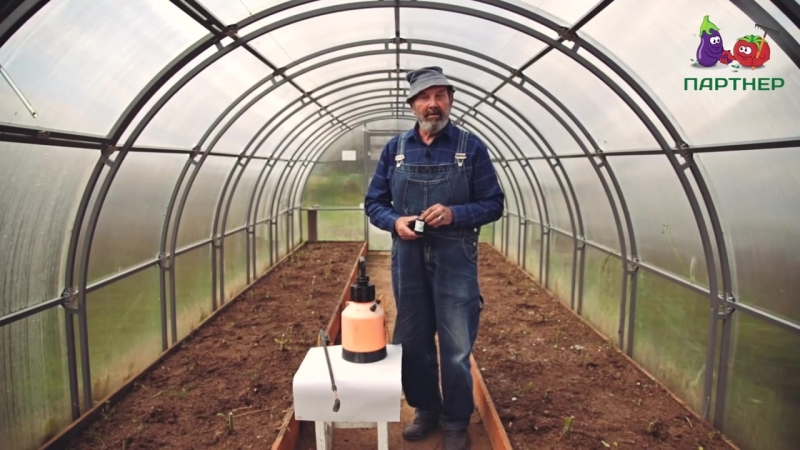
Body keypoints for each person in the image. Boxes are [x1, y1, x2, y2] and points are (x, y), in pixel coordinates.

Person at [364, 66, 505, 450]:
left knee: (456, 345)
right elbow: (374, 203)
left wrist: (454, 213)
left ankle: (456, 420)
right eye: (425, 97)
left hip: (455, 253)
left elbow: (494, 203)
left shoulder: (470, 147)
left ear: (451, 100)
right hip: (408, 254)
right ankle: (426, 409)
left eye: (440, 95)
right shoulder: (395, 150)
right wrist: (395, 222)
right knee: (413, 338)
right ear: (412, 104)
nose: (433, 104)